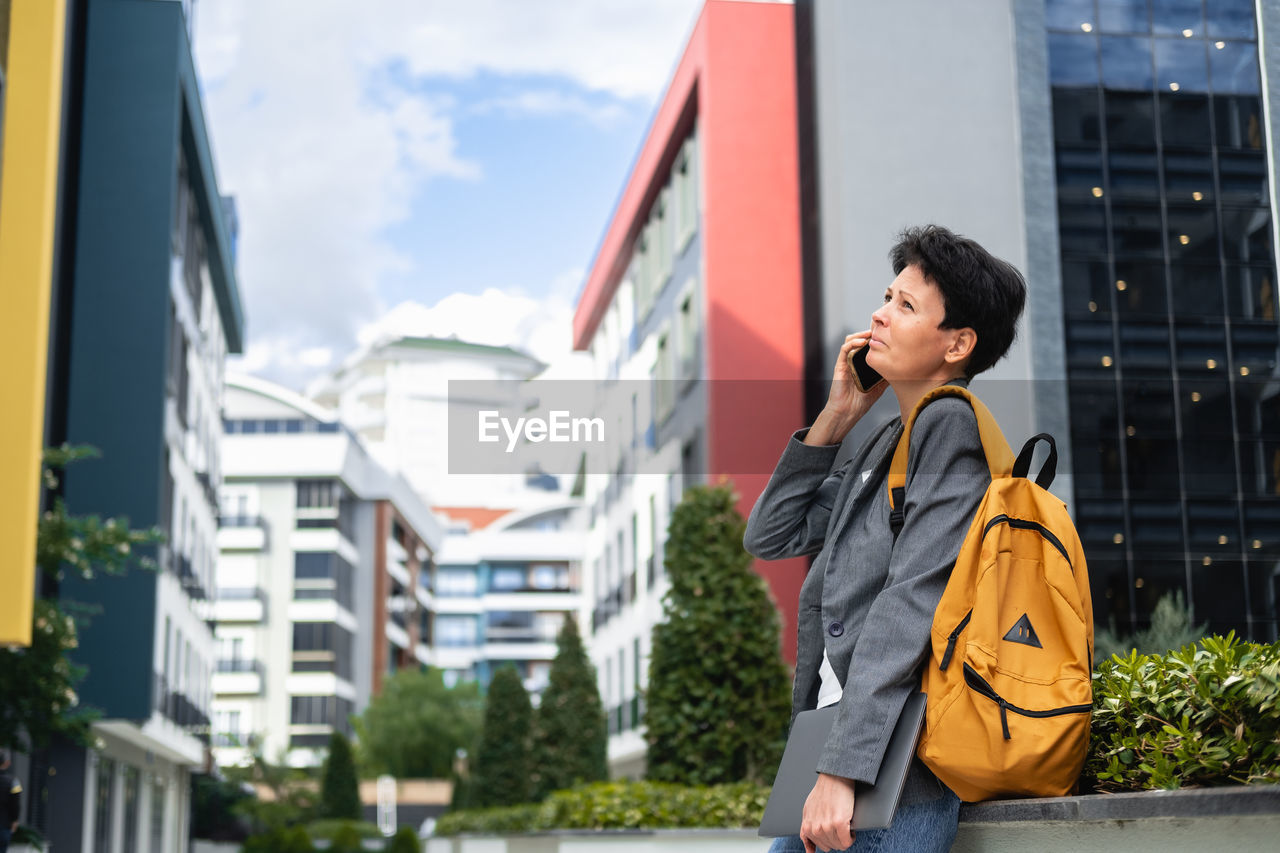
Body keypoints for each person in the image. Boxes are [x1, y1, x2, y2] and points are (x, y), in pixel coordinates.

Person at [744, 225, 1026, 853]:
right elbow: (771, 534)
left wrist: (842, 772)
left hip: (895, 772)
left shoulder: (948, 427)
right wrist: (838, 415)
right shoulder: (884, 441)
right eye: (887, 296)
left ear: (958, 343)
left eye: (906, 305)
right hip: (841, 754)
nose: (879, 314)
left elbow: (912, 604)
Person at [0, 749, 21, 853]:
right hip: (3, 826)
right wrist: (15, 820)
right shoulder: (13, 782)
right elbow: (15, 805)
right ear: (7, 763)